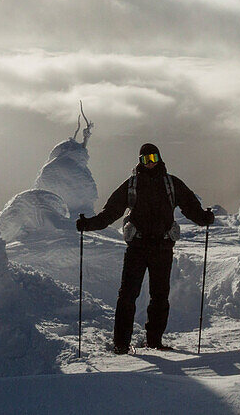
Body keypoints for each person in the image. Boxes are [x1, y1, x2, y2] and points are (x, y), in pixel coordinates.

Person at [76, 142, 214, 353]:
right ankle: (121, 345)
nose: (150, 163)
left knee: (159, 296)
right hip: (139, 249)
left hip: (162, 248)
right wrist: (89, 225)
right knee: (128, 296)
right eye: (145, 159)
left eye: (153, 159)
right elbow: (110, 213)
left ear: (159, 159)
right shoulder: (133, 185)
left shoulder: (170, 184)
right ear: (139, 161)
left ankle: (154, 342)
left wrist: (204, 218)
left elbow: (190, 207)